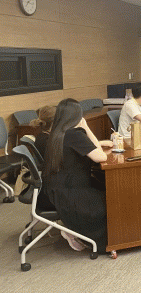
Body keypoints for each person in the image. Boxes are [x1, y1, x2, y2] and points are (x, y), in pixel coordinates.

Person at [43, 99, 113, 252]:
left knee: (103, 190)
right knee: (110, 200)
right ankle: (76, 233)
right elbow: (101, 156)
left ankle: (73, 230)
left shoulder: (56, 132)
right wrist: (86, 127)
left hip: (55, 190)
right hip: (71, 193)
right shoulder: (74, 134)